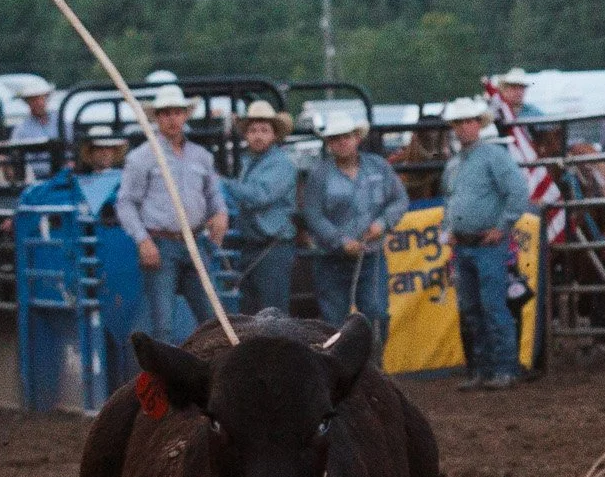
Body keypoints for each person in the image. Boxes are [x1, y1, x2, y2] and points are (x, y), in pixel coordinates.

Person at [115, 84, 229, 342]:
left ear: (185, 115)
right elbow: (126, 203)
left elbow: (213, 194)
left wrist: (220, 213)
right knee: (163, 324)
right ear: (157, 117)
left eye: (177, 112)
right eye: (166, 113)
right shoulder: (142, 157)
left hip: (196, 241)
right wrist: (143, 240)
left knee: (213, 319)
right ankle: (165, 379)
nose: (172, 119)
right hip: (161, 244)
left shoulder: (201, 157)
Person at [438, 96, 530, 389]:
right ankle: (484, 369)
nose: (464, 128)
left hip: (487, 243)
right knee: (473, 309)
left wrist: (502, 227)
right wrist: (448, 229)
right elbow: (449, 201)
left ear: (478, 125)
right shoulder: (454, 164)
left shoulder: (493, 156)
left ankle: (503, 368)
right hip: (465, 243)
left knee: (491, 307)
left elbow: (517, 192)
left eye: (468, 122)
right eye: (459, 123)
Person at [301, 116, 407, 347]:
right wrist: (340, 241)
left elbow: (399, 200)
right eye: (335, 138)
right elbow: (312, 214)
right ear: (329, 143)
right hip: (331, 259)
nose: (341, 142)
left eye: (346, 137)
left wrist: (382, 224)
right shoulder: (319, 174)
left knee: (376, 313)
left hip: (370, 255)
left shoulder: (378, 166)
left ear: (357, 138)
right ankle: (341, 373)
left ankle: (373, 367)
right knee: (334, 321)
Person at [223, 100, 298, 315]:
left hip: (272, 246)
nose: (258, 135)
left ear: (274, 135)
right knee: (253, 311)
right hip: (255, 245)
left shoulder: (281, 164)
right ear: (246, 135)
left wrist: (224, 184)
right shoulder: (250, 162)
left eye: (264, 130)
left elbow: (259, 197)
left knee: (271, 312)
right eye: (253, 130)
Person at [8, 75, 62, 179]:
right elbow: (16, 158)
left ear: (47, 98)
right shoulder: (21, 129)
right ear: (27, 102)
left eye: (40, 98)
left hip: (64, 174)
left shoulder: (61, 121)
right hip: (36, 179)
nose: (38, 103)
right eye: (33, 99)